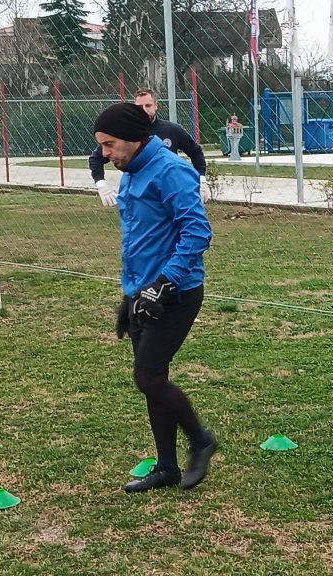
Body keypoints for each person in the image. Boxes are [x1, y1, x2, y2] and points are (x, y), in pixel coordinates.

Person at [92, 102, 217, 492]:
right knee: (152, 379)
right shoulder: (131, 171)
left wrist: (162, 284)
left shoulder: (171, 171)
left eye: (110, 145)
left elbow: (197, 233)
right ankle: (167, 467)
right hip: (142, 292)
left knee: (147, 376)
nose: (105, 154)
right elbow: (139, 238)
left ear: (134, 138)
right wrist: (131, 295)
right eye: (101, 146)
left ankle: (201, 439)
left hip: (176, 293)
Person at [92, 89, 209, 207]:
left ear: (156, 105)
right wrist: (101, 185)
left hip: (171, 192)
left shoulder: (172, 130)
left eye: (148, 105)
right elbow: (96, 158)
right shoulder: (126, 134)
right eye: (139, 107)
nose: (144, 110)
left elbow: (196, 152)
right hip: (138, 196)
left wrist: (201, 179)